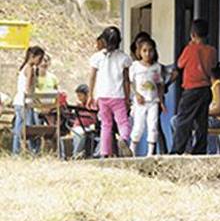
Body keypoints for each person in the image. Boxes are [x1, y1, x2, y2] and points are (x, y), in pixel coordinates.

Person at [172, 19, 216, 155]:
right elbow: (213, 66)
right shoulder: (212, 50)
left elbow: (179, 65)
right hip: (205, 89)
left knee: (183, 120)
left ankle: (177, 150)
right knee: (201, 122)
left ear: (192, 34)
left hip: (191, 90)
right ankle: (200, 150)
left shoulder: (189, 50)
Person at [88, 26, 132, 158]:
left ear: (104, 41)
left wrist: (91, 94)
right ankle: (123, 139)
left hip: (102, 96)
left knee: (106, 125)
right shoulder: (124, 58)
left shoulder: (96, 58)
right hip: (118, 96)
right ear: (120, 41)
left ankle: (104, 153)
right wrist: (127, 98)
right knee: (123, 122)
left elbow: (92, 77)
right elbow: (126, 81)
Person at [130, 38, 166, 157]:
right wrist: (136, 94)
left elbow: (160, 84)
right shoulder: (135, 66)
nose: (147, 53)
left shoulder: (156, 67)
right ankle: (132, 149)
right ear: (139, 52)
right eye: (144, 51)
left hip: (153, 101)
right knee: (139, 126)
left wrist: (161, 101)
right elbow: (131, 82)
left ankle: (150, 153)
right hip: (140, 101)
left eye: (150, 50)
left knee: (153, 125)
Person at [12, 46, 45, 154]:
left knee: (19, 127)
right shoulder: (30, 69)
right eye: (39, 59)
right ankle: (33, 150)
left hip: (19, 101)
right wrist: (35, 101)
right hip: (25, 102)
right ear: (33, 56)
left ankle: (15, 151)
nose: (40, 61)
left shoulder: (24, 67)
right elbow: (28, 89)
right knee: (30, 128)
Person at [70, 84, 98, 159]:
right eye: (78, 96)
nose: (79, 98)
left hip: (88, 126)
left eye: (80, 95)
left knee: (80, 134)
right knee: (78, 133)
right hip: (78, 126)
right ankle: (76, 154)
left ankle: (76, 154)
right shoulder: (79, 105)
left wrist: (84, 108)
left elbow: (93, 116)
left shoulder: (92, 103)